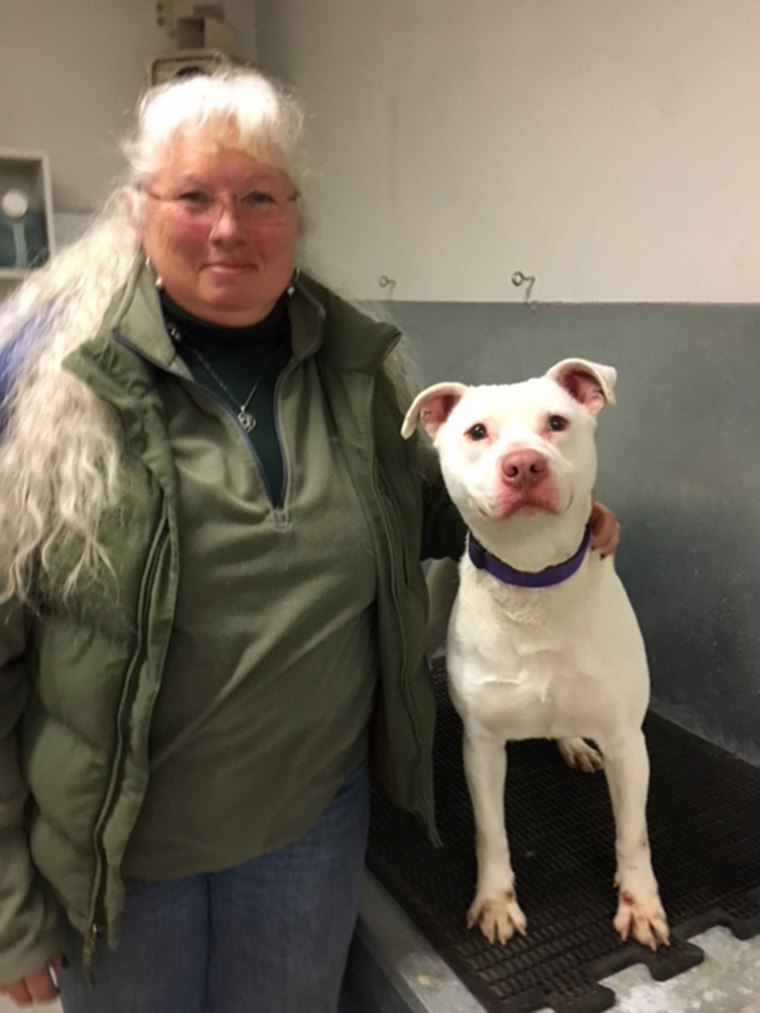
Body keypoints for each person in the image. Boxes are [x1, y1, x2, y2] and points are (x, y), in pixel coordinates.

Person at [0, 68, 619, 1013]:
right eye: (195, 196)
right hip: (123, 860)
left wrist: (556, 515)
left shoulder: (353, 371)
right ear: (138, 213)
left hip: (308, 836)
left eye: (259, 197)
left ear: (295, 214)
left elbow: (424, 509)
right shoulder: (54, 391)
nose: (228, 226)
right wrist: (7, 911)